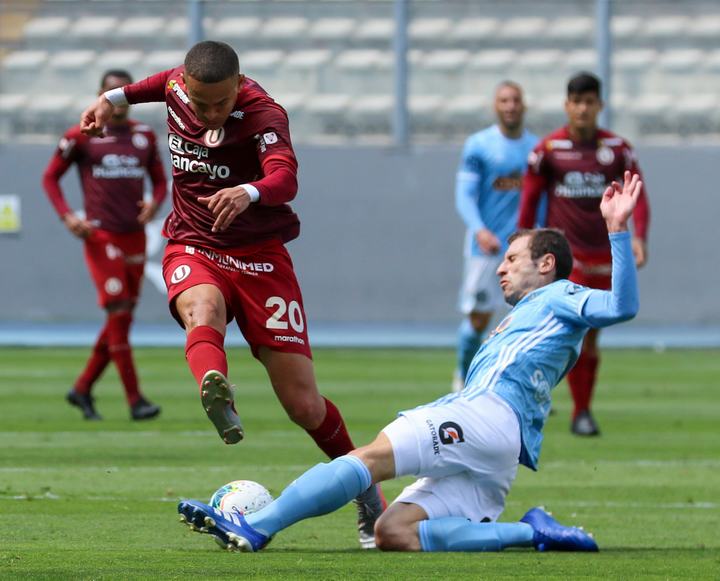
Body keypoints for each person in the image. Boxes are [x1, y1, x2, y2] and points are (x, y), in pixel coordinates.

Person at [176, 172, 642, 554]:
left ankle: (257, 525)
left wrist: (618, 230)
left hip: (486, 417)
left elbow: (621, 306)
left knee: (368, 458)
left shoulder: (560, 295)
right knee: (395, 532)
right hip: (500, 447)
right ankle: (532, 531)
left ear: (546, 265)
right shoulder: (533, 316)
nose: (501, 267)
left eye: (513, 258)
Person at [79, 41, 385, 548]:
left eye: (221, 103)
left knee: (304, 406)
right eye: (201, 104)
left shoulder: (264, 113)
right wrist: (111, 100)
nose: (210, 113)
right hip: (194, 243)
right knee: (203, 307)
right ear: (186, 87)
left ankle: (367, 489)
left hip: (262, 260)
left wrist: (249, 191)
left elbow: (285, 177)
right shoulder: (177, 85)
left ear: (239, 84)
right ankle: (214, 384)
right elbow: (149, 86)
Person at [518, 72, 650, 436]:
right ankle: (572, 411)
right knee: (571, 330)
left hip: (606, 256)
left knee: (589, 337)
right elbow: (529, 199)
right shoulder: (548, 150)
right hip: (566, 258)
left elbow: (638, 196)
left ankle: (579, 409)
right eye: (576, 102)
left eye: (589, 102)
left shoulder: (618, 149)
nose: (582, 109)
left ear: (599, 105)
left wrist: (639, 237)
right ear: (566, 105)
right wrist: (523, 245)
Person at [43, 69, 167, 421]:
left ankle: (82, 389)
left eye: (123, 92)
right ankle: (135, 400)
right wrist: (68, 217)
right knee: (119, 310)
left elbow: (160, 182)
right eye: (111, 91)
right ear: (101, 94)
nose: (118, 100)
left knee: (121, 318)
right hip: (100, 236)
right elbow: (50, 177)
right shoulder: (82, 134)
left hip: (135, 235)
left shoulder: (144, 136)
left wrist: (154, 204)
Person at [453, 81, 538, 392]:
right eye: (504, 100)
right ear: (495, 106)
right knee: (478, 320)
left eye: (515, 100)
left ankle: (523, 389)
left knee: (529, 323)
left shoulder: (537, 149)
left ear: (524, 105)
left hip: (526, 251)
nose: (510, 106)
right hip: (486, 249)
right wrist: (479, 229)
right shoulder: (479, 145)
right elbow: (464, 195)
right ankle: (465, 383)